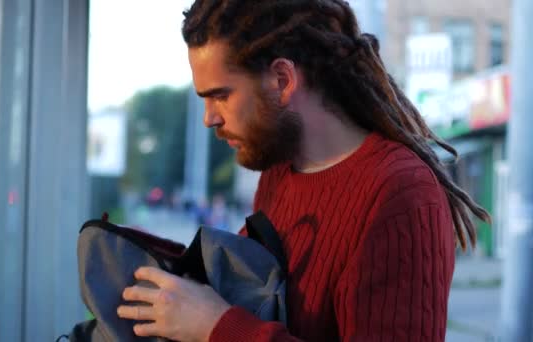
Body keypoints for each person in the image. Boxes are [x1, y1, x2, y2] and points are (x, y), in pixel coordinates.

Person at [117, 1, 491, 341]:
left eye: (220, 95)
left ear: (282, 80)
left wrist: (218, 327)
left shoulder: (401, 195)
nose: (209, 118)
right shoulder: (278, 172)